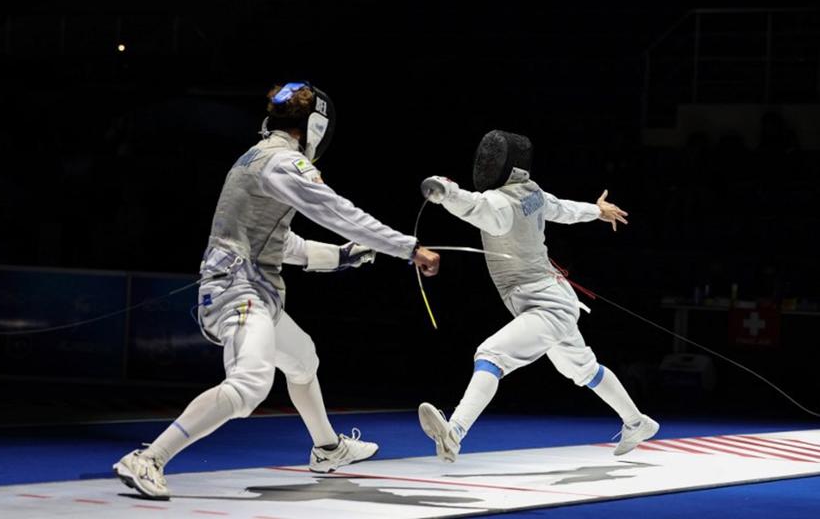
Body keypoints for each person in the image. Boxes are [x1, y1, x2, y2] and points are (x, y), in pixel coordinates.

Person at [114, 82, 440, 499]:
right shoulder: (283, 163)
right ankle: (149, 459)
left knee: (303, 358)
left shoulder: (258, 157)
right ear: (313, 127)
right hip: (238, 291)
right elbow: (336, 211)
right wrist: (406, 248)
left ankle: (327, 448)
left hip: (252, 290)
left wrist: (342, 257)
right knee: (250, 385)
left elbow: (280, 244)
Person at [416, 129, 657, 463]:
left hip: (546, 305)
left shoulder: (498, 203)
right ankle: (637, 422)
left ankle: (454, 433)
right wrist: (595, 210)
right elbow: (562, 209)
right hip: (553, 297)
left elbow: (470, 205)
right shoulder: (531, 192)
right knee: (583, 368)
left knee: (491, 354)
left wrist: (442, 190)